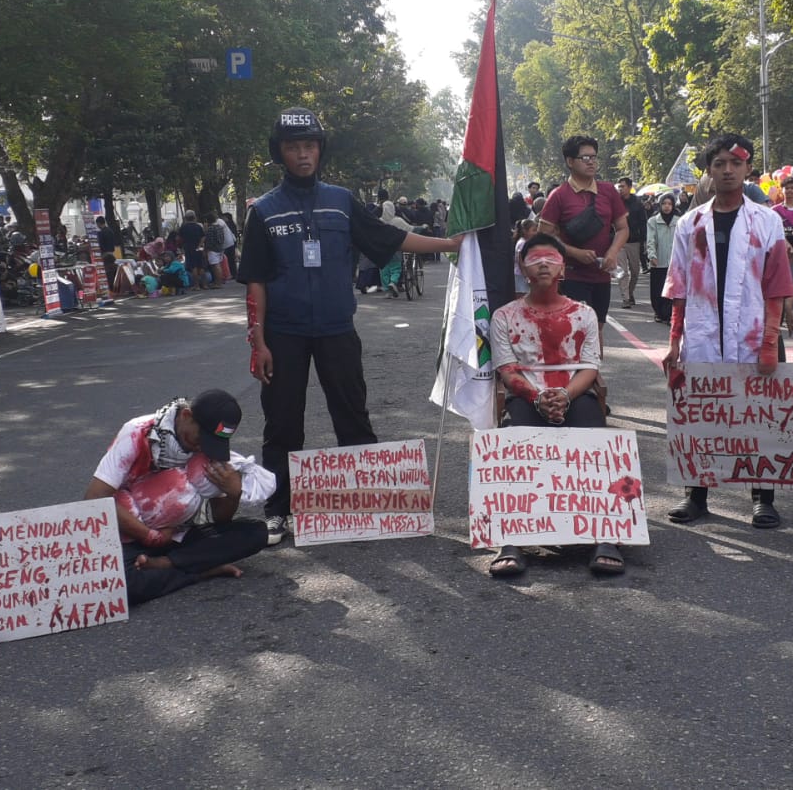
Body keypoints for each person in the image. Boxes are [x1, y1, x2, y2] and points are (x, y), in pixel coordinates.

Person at [238, 107, 462, 545]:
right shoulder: (263, 211)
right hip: (283, 332)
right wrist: (258, 341)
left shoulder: (341, 202)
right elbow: (256, 283)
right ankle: (278, 509)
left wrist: (451, 244)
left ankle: (370, 502)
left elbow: (388, 238)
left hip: (337, 328)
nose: (303, 154)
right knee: (282, 422)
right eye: (293, 148)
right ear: (280, 154)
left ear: (320, 150)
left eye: (310, 146)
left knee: (352, 413)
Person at [662, 133, 793, 529]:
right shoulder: (690, 223)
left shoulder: (767, 221)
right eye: (719, 163)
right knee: (702, 411)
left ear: (748, 168)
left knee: (760, 413)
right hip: (702, 334)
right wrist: (674, 342)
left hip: (754, 334)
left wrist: (769, 343)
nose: (727, 170)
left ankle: (763, 497)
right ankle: (696, 495)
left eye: (736, 163)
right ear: (708, 171)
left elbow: (776, 286)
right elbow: (678, 286)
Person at [486, 233, 618, 577]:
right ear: (523, 269)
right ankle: (510, 540)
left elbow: (590, 367)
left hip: (574, 393)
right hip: (526, 395)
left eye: (550, 259)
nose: (543, 264)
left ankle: (605, 535)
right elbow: (507, 369)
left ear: (563, 269)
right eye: (534, 259)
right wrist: (537, 397)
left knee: (596, 439)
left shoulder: (584, 313)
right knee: (513, 439)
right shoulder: (504, 316)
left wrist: (566, 395)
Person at [82, 389, 272, 605]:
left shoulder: (207, 447)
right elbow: (95, 498)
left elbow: (221, 519)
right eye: (201, 439)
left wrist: (233, 493)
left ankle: (166, 564)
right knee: (119, 586)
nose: (202, 447)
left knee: (256, 532)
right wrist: (150, 536)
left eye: (212, 443)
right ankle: (198, 570)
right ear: (186, 416)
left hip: (177, 533)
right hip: (131, 534)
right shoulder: (138, 432)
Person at [538, 135, 630, 331]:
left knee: (597, 328)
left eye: (594, 157)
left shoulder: (608, 191)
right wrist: (574, 252)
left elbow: (623, 228)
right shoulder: (558, 196)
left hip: (602, 276)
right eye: (585, 158)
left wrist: (613, 252)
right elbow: (543, 237)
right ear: (570, 161)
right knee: (577, 331)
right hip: (572, 276)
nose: (591, 162)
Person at [645, 192, 677, 324]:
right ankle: (658, 312)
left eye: (669, 204)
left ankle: (669, 314)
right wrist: (652, 255)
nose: (667, 206)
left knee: (672, 289)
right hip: (658, 261)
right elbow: (650, 240)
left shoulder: (679, 221)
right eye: (664, 203)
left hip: (674, 262)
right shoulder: (653, 221)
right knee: (658, 289)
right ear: (660, 205)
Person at [616, 177, 646, 307]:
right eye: (619, 186)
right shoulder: (616, 202)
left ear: (629, 187)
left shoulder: (637, 203)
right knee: (623, 271)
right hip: (619, 242)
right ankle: (626, 298)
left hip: (634, 241)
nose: (620, 189)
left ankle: (630, 292)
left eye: (623, 186)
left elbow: (643, 223)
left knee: (635, 271)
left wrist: (644, 240)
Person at [177, 210, 211, 289]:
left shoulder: (183, 227)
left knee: (193, 267)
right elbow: (203, 236)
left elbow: (178, 238)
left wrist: (182, 246)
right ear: (194, 217)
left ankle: (196, 285)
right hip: (199, 248)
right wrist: (200, 244)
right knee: (201, 266)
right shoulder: (198, 226)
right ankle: (205, 284)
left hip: (189, 248)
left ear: (185, 218)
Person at [512, 219, 538, 294]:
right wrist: (526, 277)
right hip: (521, 275)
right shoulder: (522, 243)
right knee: (522, 296)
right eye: (533, 230)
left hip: (526, 275)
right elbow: (521, 262)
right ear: (524, 231)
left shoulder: (527, 242)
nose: (535, 233)